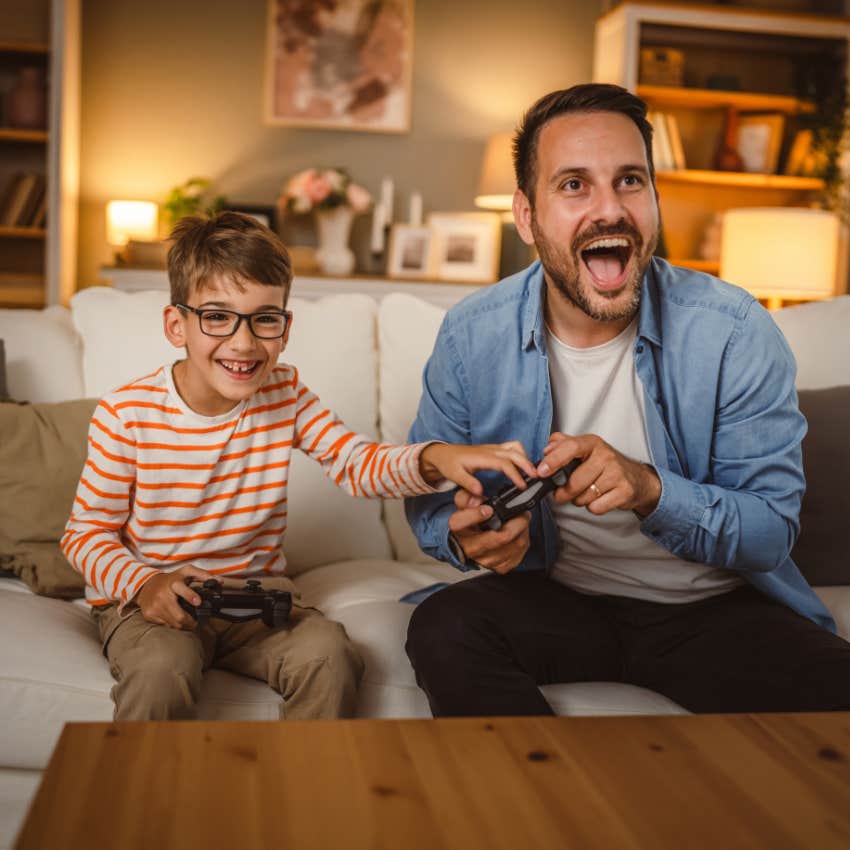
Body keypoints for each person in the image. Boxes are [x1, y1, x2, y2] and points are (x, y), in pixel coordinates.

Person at [405, 83, 850, 717]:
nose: (609, 210)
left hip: (713, 612)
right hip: (560, 599)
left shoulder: (733, 330)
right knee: (445, 628)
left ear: (654, 200)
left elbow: (770, 534)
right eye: (574, 185)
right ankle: (526, 811)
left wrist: (649, 489)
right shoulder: (472, 334)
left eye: (630, 181)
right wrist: (465, 536)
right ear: (526, 215)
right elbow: (427, 499)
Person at [61, 211, 534, 722]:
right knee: (159, 671)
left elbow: (357, 463)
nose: (243, 343)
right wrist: (142, 584)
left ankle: (305, 790)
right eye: (217, 317)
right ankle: (142, 798)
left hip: (255, 601)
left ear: (285, 329)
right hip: (153, 601)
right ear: (177, 325)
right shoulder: (126, 414)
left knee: (329, 658)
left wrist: (435, 457)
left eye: (264, 318)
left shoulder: (284, 393)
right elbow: (84, 535)